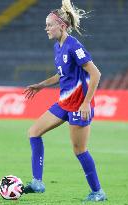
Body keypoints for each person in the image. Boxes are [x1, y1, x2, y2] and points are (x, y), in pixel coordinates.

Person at [23, 0, 107, 202]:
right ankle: (37, 182)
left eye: (49, 25)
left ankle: (98, 192)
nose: (46, 29)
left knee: (79, 150)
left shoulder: (74, 46)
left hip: (79, 104)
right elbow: (62, 75)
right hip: (64, 102)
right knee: (33, 132)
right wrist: (42, 85)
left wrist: (86, 102)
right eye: (46, 25)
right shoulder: (57, 47)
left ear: (62, 26)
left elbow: (95, 73)